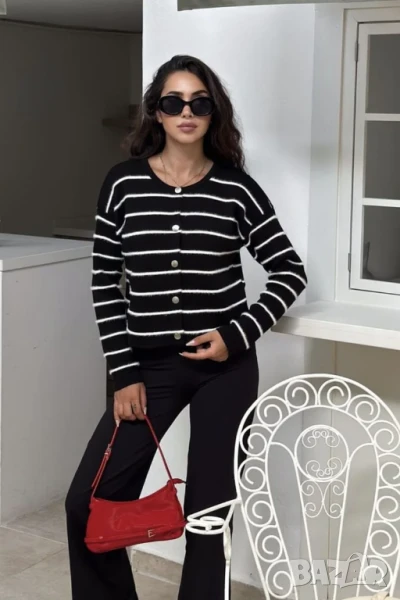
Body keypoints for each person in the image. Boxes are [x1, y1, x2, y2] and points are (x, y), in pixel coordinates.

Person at [65, 55, 307, 600]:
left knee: (208, 515)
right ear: (156, 111)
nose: (187, 112)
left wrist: (236, 334)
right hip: (146, 369)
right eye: (174, 102)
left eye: (199, 102)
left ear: (213, 111)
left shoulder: (237, 189)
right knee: (88, 501)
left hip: (227, 370)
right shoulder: (123, 184)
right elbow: (105, 283)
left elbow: (289, 271)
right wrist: (123, 373)